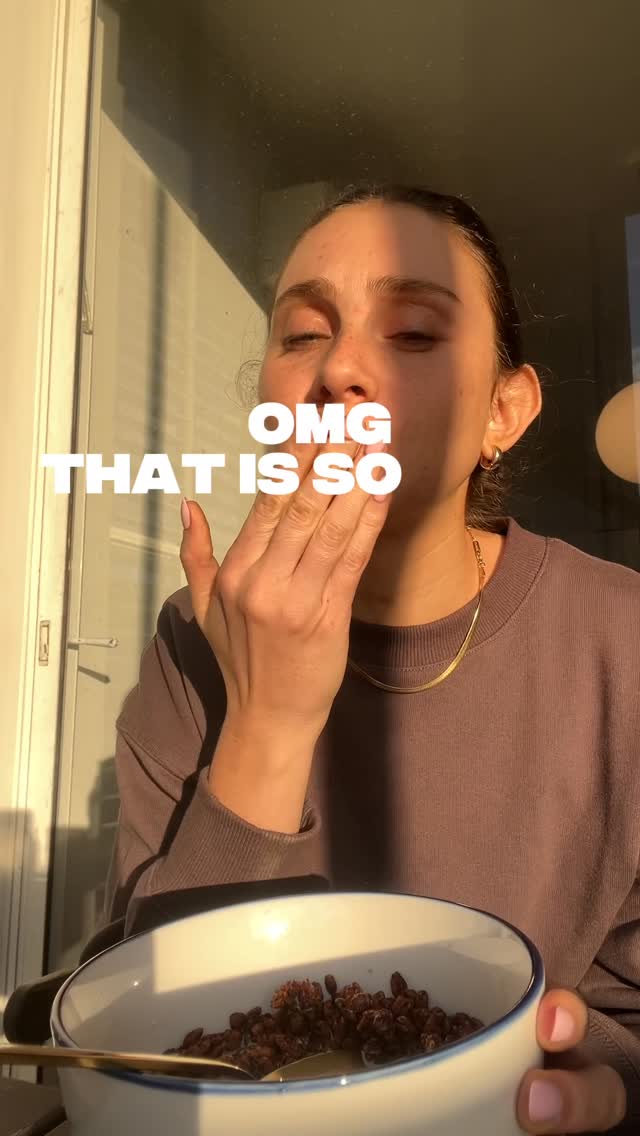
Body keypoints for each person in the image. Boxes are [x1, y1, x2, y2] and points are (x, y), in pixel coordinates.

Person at [104, 184, 639, 1134]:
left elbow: (624, 1026)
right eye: (303, 334)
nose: (340, 369)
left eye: (415, 334)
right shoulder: (195, 641)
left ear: (504, 411)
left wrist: (595, 1075)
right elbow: (140, 1040)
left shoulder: (620, 644)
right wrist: (268, 724)